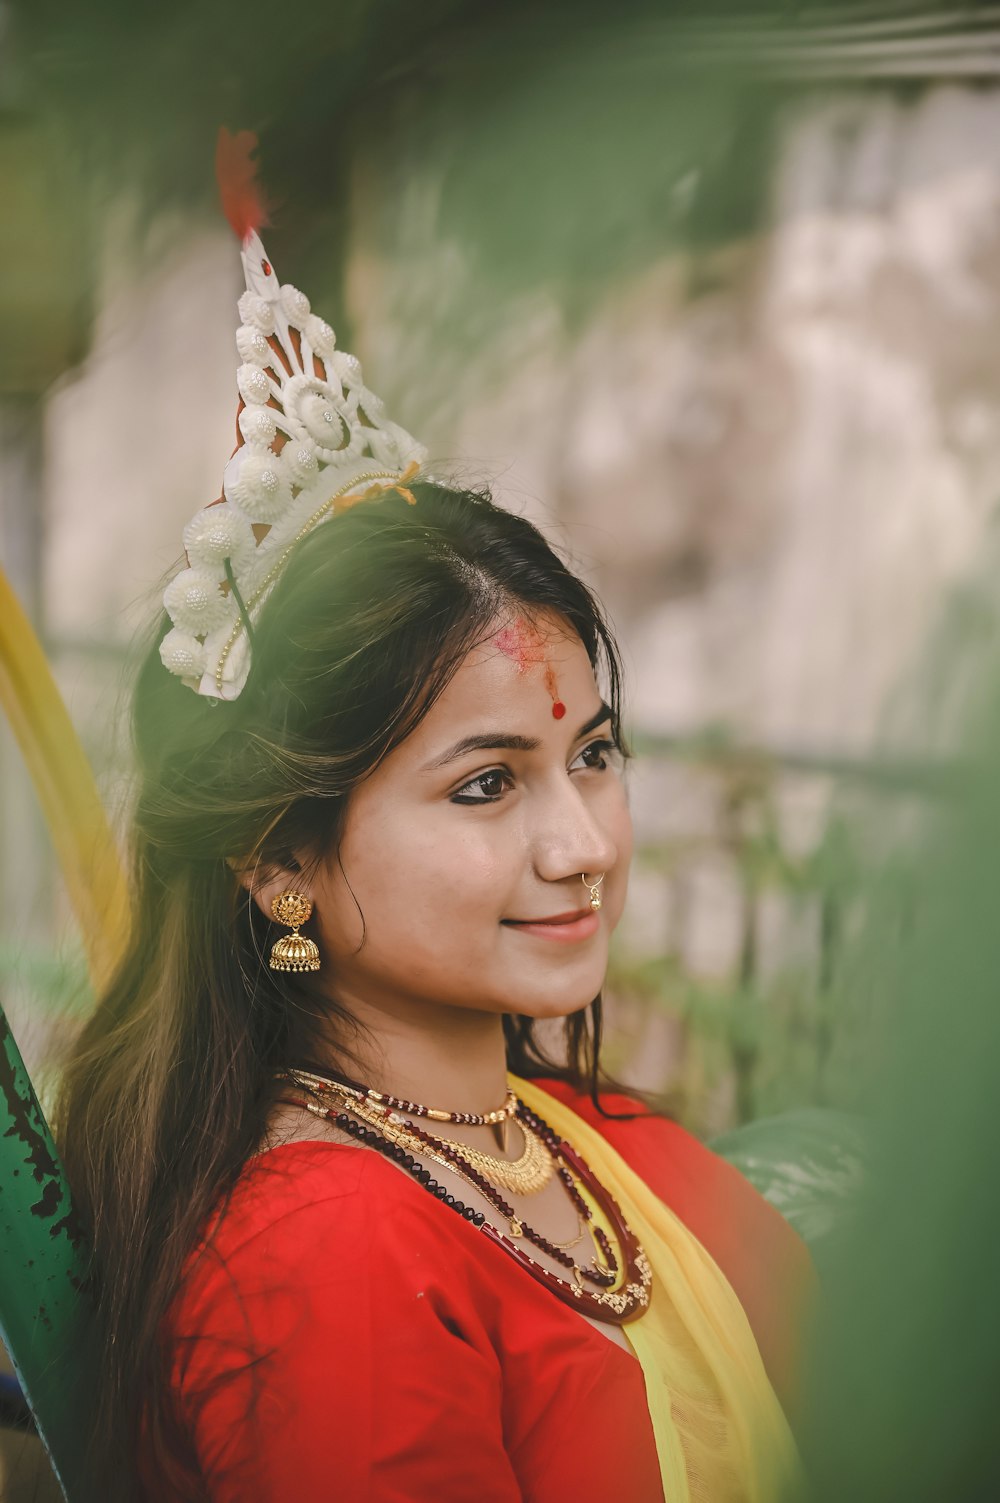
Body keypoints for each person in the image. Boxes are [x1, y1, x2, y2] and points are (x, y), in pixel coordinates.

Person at [56, 136, 810, 1503]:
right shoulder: (329, 1256)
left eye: (593, 755)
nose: (582, 845)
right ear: (276, 853)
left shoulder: (600, 1146)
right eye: (486, 784)